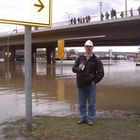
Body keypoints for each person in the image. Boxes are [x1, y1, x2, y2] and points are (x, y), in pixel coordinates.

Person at [72, 40, 104, 125]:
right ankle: (83, 118)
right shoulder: (80, 58)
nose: (88, 48)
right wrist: (78, 68)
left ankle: (90, 118)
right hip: (80, 85)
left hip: (91, 85)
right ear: (84, 47)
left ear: (92, 48)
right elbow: (73, 69)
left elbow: (101, 73)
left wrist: (94, 81)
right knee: (81, 103)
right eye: (87, 46)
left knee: (91, 104)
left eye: (90, 46)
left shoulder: (96, 60)